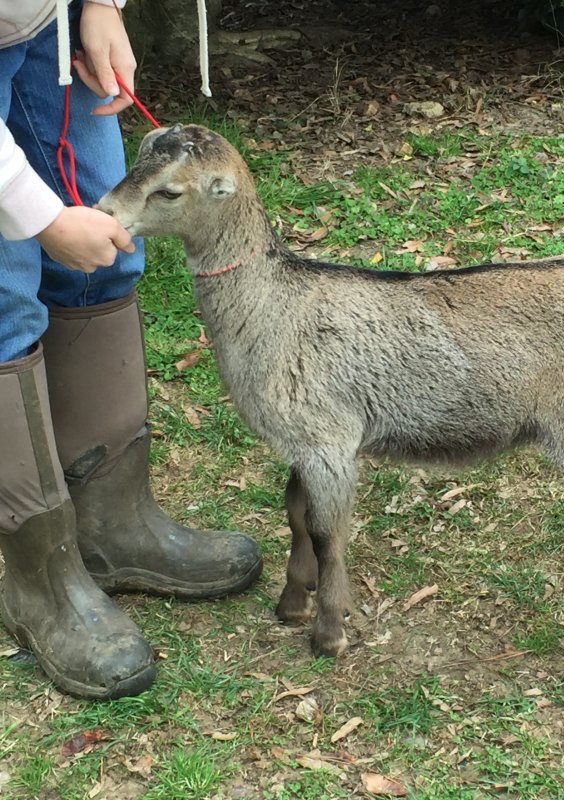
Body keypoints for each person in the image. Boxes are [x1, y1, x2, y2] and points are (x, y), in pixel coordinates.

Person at [0, 0, 262, 699]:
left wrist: (97, 5)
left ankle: (112, 525)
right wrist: (42, 217)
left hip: (42, 27)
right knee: (5, 304)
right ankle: (40, 581)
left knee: (107, 257)